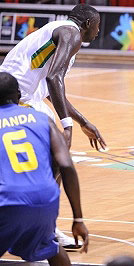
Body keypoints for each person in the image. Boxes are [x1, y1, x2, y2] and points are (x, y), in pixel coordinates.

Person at [0, 4, 106, 248]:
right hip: (13, 96)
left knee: (54, 157)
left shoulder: (57, 31)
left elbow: (50, 90)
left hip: (25, 95)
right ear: (88, 24)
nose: (98, 32)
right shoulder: (72, 34)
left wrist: (81, 121)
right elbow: (54, 77)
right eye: (98, 26)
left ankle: (45, 225)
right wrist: (66, 125)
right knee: (57, 156)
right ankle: (45, 226)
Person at [0, 72, 89, 265]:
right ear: (18, 95)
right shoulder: (42, 119)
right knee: (49, 247)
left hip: (6, 200)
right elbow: (66, 165)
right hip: (45, 200)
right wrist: (78, 218)